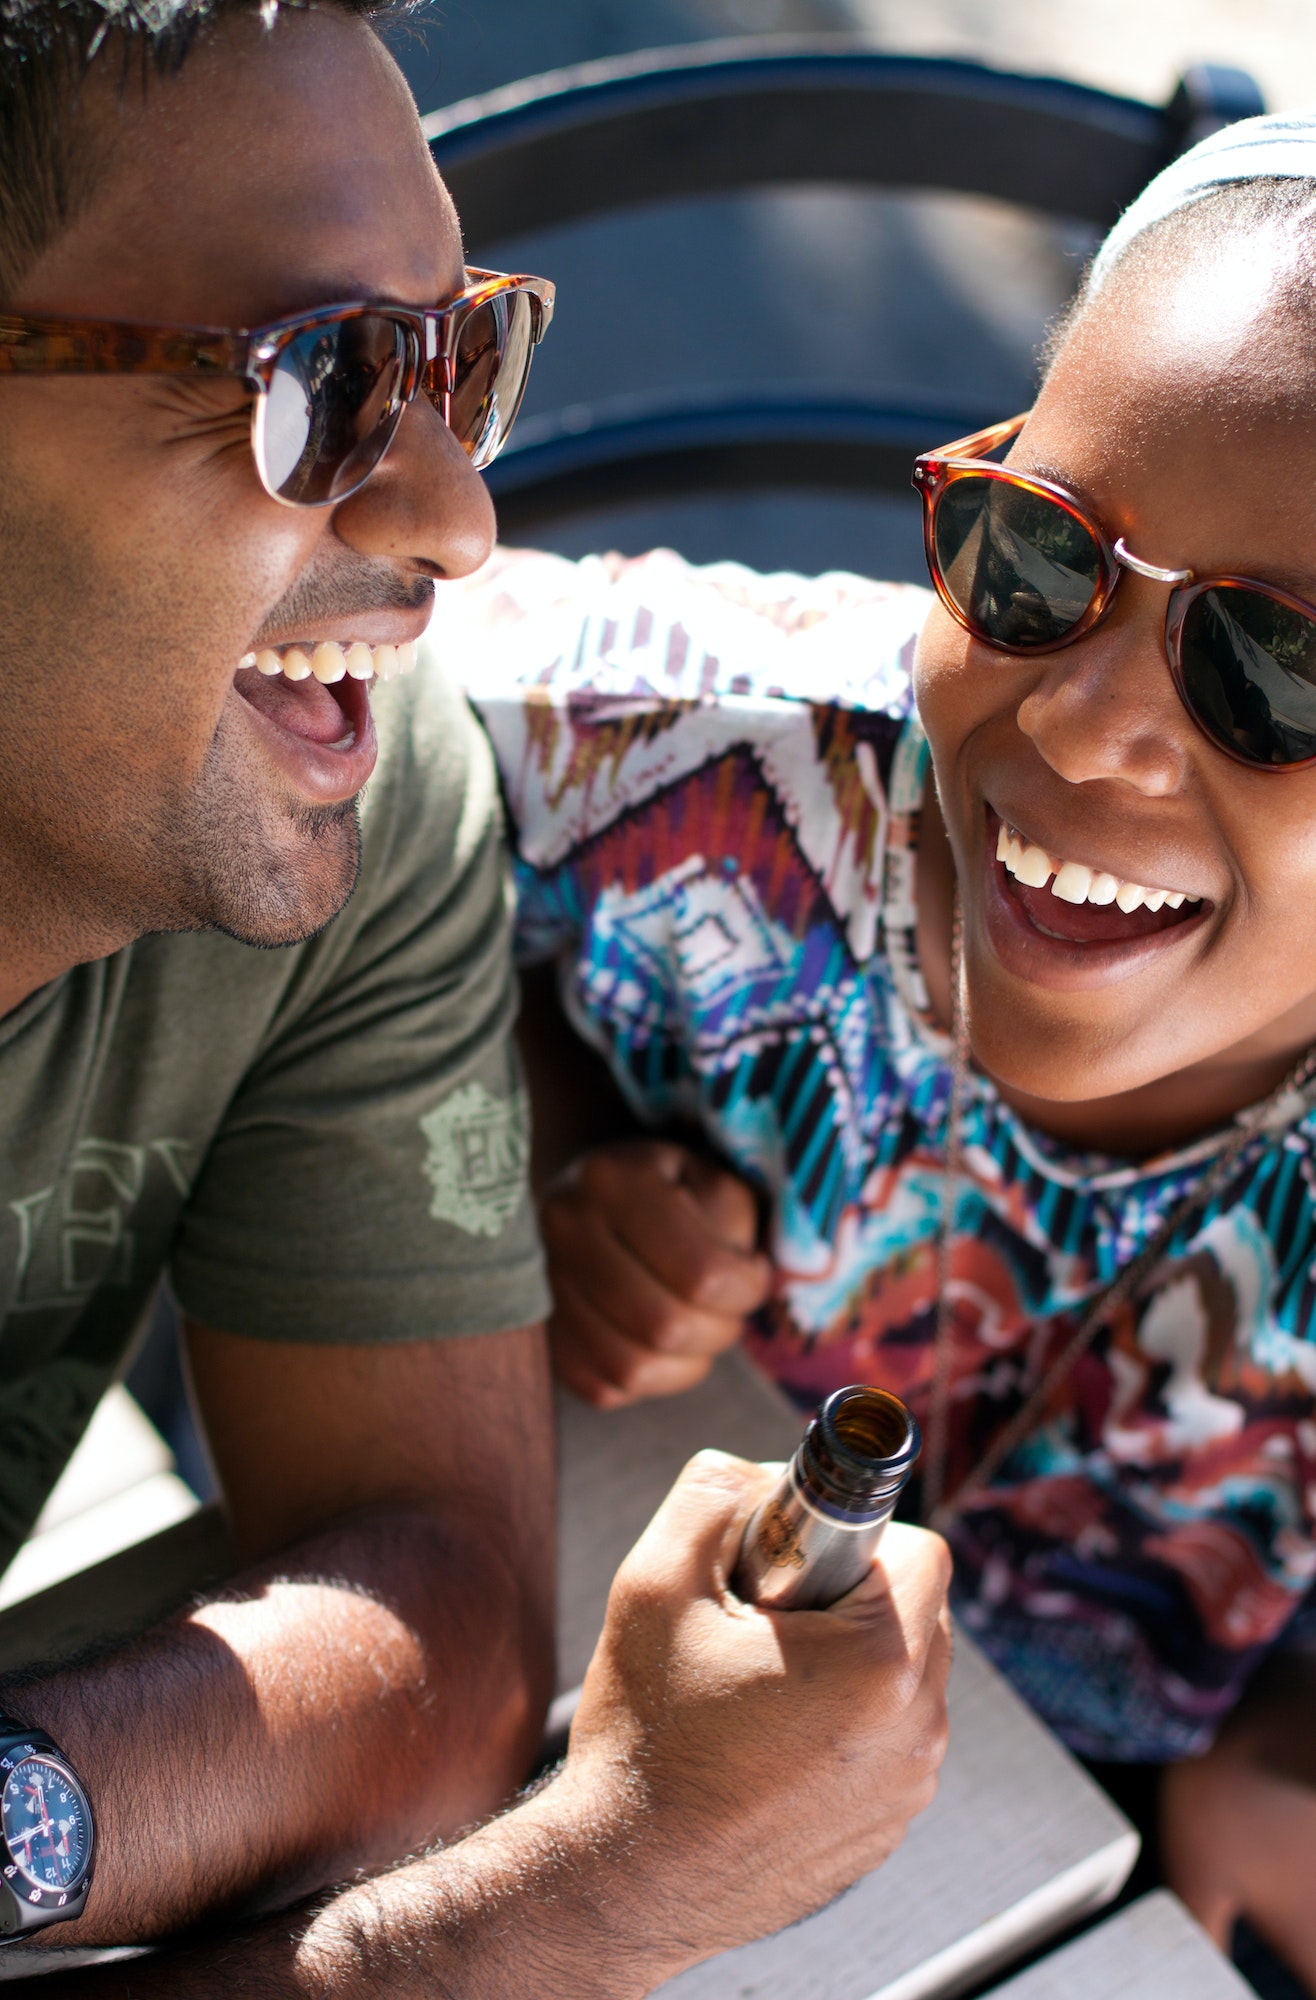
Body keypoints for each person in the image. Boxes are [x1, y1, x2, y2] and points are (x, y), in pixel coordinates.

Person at [0, 0, 952, 1988]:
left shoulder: (328, 789)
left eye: (459, 364)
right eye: (320, 381)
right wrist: (598, 1884)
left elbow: (436, 1619)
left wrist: (27, 1809)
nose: (452, 519)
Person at [449, 112, 1316, 1992]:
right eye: (1038, 554)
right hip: (526, 1671)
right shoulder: (678, 745)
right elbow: (272, 720)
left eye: (1276, 673)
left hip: (1104, 1843)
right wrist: (541, 1125)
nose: (1084, 723)